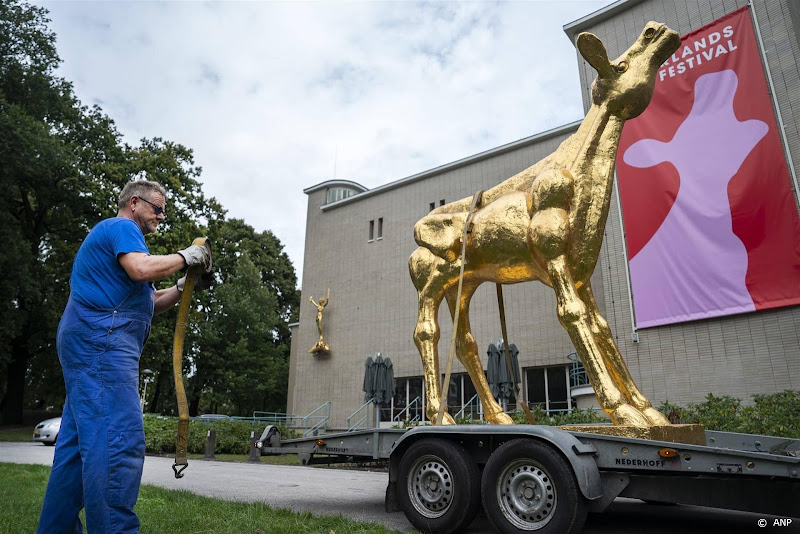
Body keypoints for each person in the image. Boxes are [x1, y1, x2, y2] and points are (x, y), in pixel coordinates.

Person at [36, 180, 212, 534]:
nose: (161, 217)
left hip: (91, 345)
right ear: (134, 202)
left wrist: (180, 287)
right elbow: (141, 269)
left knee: (76, 447)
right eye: (157, 209)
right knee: (117, 438)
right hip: (101, 345)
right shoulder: (122, 228)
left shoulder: (128, 246)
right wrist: (185, 258)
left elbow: (149, 299)